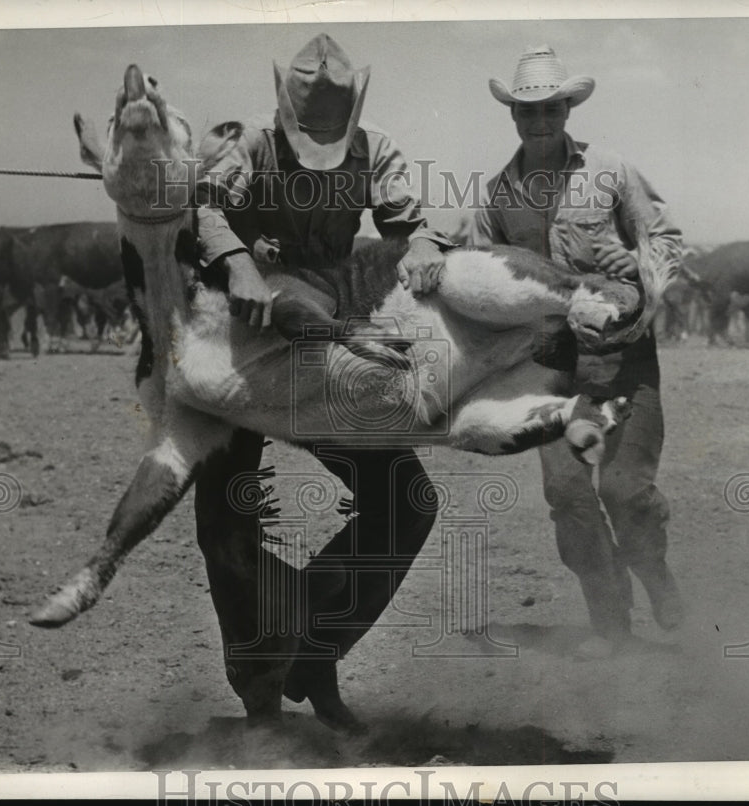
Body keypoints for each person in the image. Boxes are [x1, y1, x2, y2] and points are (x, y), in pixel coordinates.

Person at [193, 33, 451, 729]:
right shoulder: (244, 145)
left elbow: (411, 224)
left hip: (324, 347)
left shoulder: (377, 150)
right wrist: (240, 261)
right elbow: (206, 209)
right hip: (238, 351)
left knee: (405, 500)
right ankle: (259, 697)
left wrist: (423, 247)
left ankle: (314, 650)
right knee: (227, 518)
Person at [459, 45, 685, 659]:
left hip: (623, 359)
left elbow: (664, 236)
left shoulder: (609, 170)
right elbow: (477, 274)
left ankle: (656, 574)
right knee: (569, 496)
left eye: (550, 108)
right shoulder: (498, 194)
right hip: (550, 373)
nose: (539, 120)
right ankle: (612, 624)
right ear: (513, 116)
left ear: (566, 108)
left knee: (625, 489)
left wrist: (633, 262)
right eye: (527, 111)